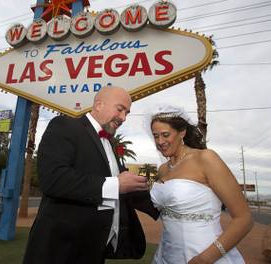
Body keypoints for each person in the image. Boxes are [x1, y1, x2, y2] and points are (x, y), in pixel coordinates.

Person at [23, 86, 159, 264]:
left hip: (94, 248)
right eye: (120, 109)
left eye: (127, 112)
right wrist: (116, 185)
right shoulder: (64, 125)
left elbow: (125, 188)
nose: (123, 118)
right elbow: (54, 179)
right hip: (60, 249)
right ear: (99, 104)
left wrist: (164, 207)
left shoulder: (109, 142)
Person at [148, 105, 253, 264]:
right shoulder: (163, 170)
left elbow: (244, 218)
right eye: (156, 136)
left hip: (205, 254)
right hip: (166, 255)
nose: (160, 141)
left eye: (165, 135)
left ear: (182, 132)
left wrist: (205, 258)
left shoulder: (206, 159)